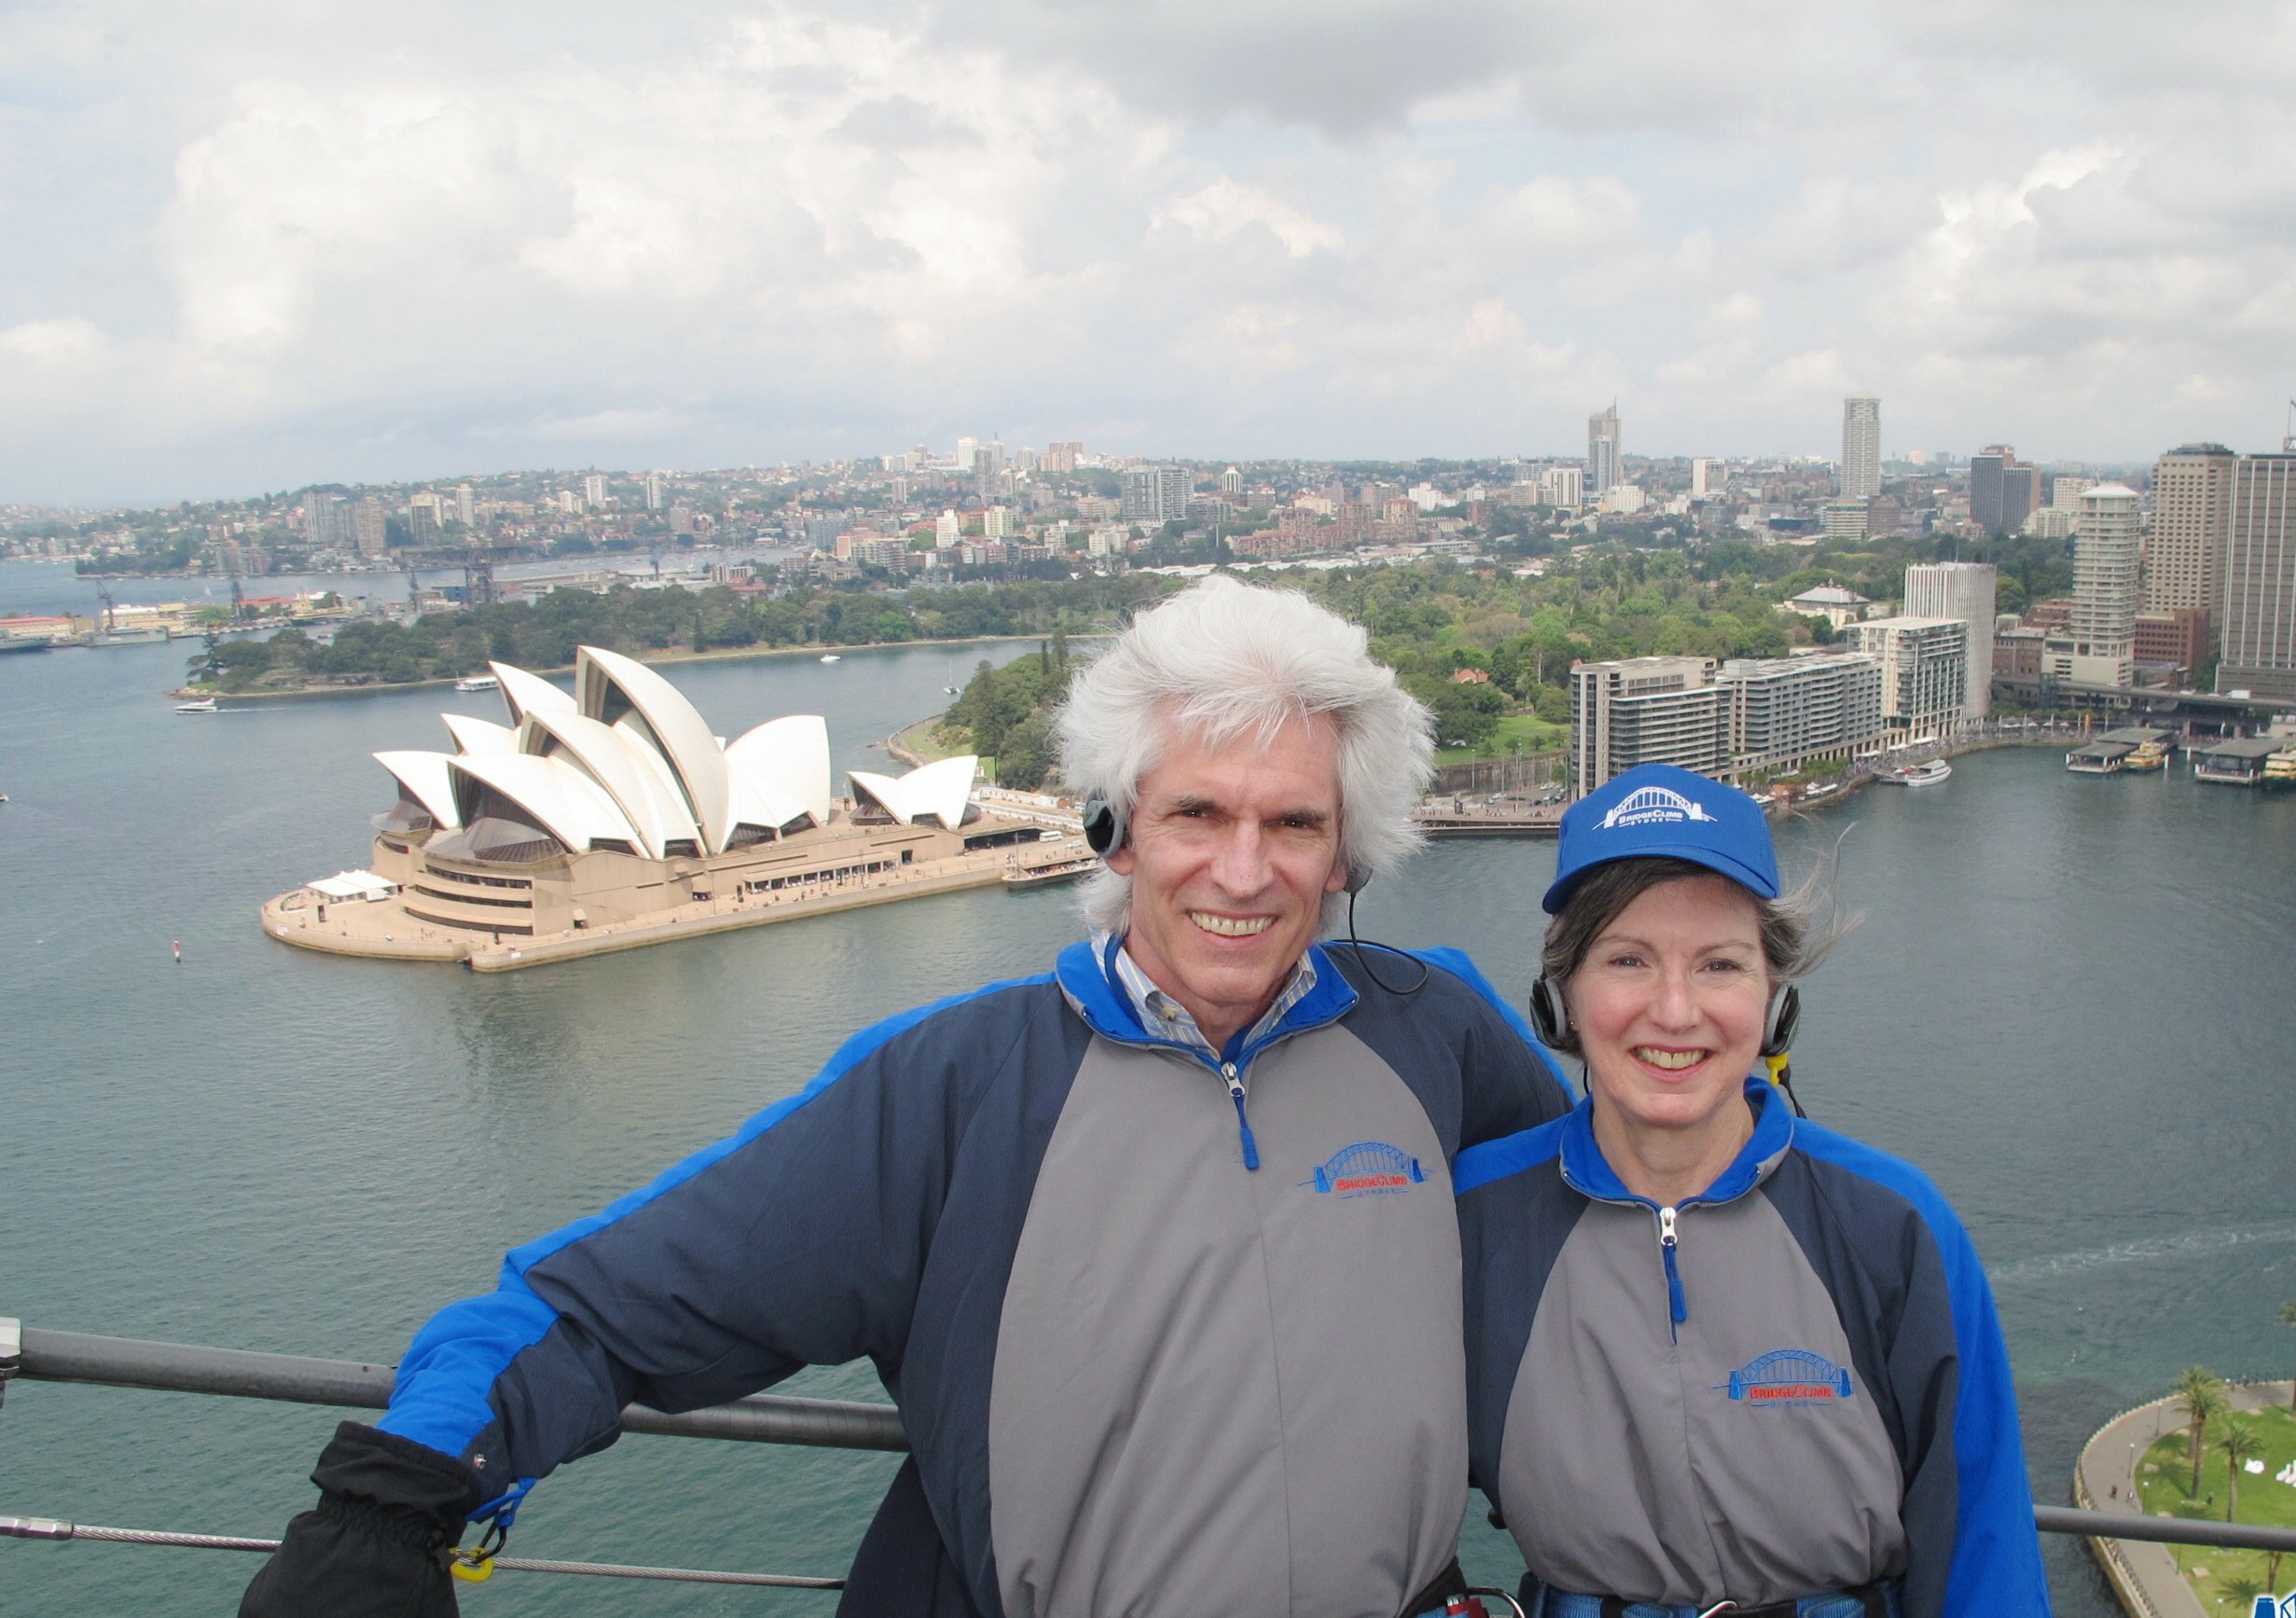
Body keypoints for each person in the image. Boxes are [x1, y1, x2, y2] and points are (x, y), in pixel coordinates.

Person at [240, 575, 1574, 1618]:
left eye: (1292, 822)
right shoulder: (951, 1087)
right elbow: (583, 1306)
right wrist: (397, 1496)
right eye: (1196, 814)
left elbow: (1613, 1210)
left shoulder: (1430, 1029)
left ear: (1348, 847)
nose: (1243, 868)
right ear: (1115, 829)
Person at [1453, 764, 2050, 1618]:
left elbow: (1984, 1544)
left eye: (1719, 964)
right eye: (1626, 959)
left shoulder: (1891, 1223)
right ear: (1564, 993)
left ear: (1774, 995)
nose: (1673, 1009)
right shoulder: (1475, 1220)